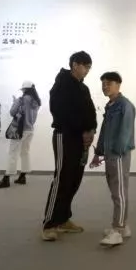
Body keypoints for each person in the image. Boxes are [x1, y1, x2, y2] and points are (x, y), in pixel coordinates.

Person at [41, 51, 97, 242]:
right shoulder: (61, 85)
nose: (87, 70)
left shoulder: (83, 88)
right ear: (75, 64)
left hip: (81, 139)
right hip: (65, 136)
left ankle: (63, 219)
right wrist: (82, 129)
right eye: (85, 66)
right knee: (62, 178)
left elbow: (90, 111)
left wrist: (91, 130)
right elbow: (60, 112)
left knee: (74, 179)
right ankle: (49, 223)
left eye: (89, 67)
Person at [90, 72, 136, 247]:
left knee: (119, 192)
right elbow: (104, 131)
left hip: (118, 155)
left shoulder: (125, 105)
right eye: (103, 84)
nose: (105, 87)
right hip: (110, 155)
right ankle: (122, 227)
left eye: (108, 83)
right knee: (115, 191)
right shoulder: (111, 105)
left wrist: (117, 152)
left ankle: (118, 229)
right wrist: (98, 153)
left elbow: (126, 131)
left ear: (118, 84)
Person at [0, 81, 41, 189]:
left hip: (20, 130)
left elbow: (12, 112)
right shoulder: (37, 102)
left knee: (12, 153)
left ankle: (6, 179)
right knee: (25, 152)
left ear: (25, 89)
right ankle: (22, 176)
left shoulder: (21, 99)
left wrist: (15, 102)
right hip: (30, 130)